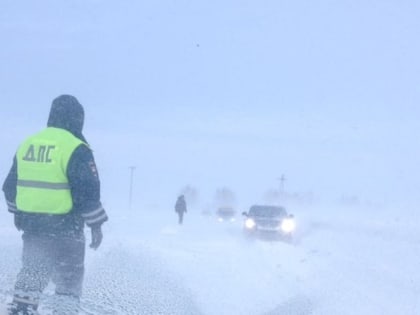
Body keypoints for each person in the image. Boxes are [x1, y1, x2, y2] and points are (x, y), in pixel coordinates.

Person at [2, 95, 108, 315]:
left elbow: (9, 187)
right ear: (77, 119)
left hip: (32, 228)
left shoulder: (28, 144)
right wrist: (96, 224)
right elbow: (87, 191)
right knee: (68, 282)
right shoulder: (76, 147)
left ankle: (21, 311)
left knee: (31, 276)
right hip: (66, 230)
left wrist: (17, 213)